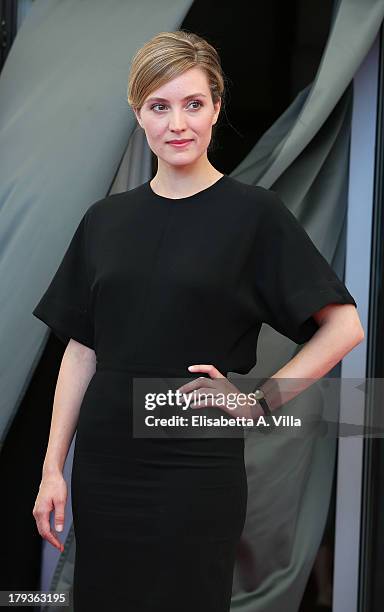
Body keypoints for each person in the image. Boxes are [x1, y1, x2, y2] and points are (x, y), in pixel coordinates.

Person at [31, 30, 364, 612]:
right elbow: (82, 350)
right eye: (159, 106)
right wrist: (53, 468)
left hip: (195, 464)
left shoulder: (254, 216)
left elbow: (345, 327)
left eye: (193, 103)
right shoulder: (105, 221)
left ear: (216, 107)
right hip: (106, 465)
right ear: (139, 115)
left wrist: (260, 400)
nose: (177, 123)